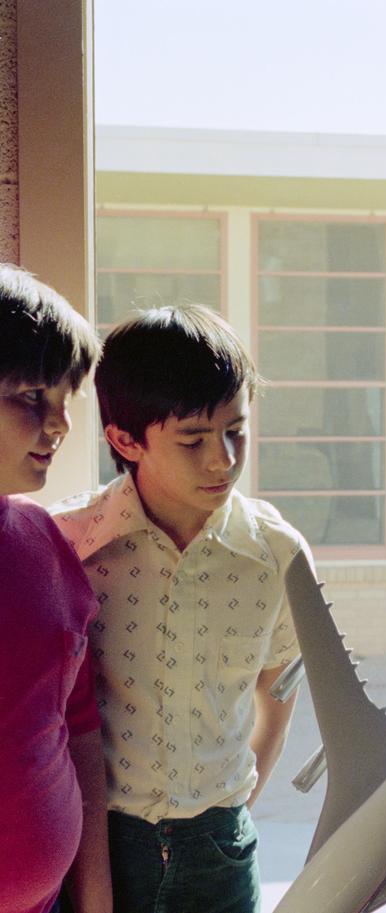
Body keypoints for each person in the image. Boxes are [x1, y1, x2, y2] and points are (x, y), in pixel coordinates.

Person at [52, 304, 310, 913]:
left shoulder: (277, 554)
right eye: (193, 439)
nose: (223, 459)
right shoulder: (67, 546)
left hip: (221, 849)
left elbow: (276, 704)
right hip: (97, 845)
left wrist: (227, 819)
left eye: (236, 430)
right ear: (125, 440)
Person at [0, 265, 109, 913]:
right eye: (32, 396)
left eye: (67, 397)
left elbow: (78, 727)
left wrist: (96, 901)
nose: (61, 423)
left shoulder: (43, 541)